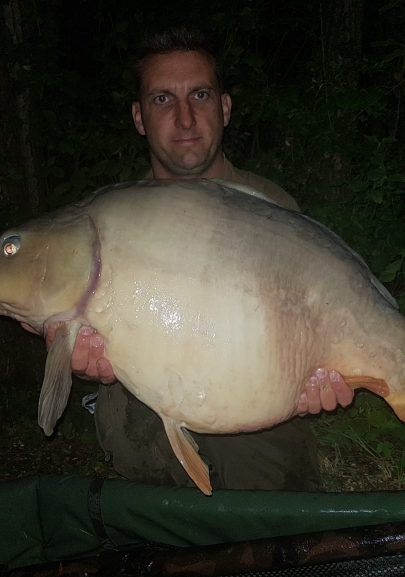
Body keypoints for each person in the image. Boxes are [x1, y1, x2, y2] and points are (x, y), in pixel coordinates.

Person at [47, 27, 354, 491]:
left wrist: (309, 380)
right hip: (144, 407)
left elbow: (312, 328)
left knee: (270, 483)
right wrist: (78, 354)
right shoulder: (112, 220)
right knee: (140, 444)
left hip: (252, 403)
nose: (186, 118)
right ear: (138, 117)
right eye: (163, 100)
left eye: (200, 95)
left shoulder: (270, 207)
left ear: (224, 108)